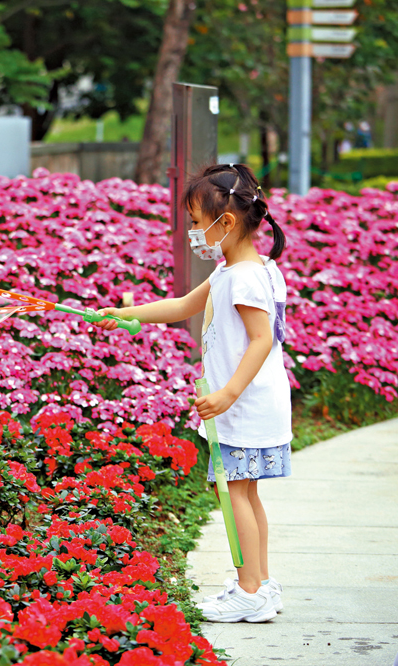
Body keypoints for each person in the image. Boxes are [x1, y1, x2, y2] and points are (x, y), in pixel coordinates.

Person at [93, 163, 292, 623]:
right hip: (256, 406)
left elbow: (262, 339)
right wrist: (125, 314)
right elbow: (184, 305)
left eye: (199, 224)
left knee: (234, 496)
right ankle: (261, 584)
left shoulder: (242, 278)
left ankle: (249, 592)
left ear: (227, 223)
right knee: (247, 494)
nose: (194, 234)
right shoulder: (247, 267)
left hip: (242, 406)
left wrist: (226, 394)